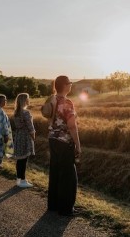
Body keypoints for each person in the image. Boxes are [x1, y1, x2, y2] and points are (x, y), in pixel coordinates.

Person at [47, 75, 81, 216]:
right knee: (68, 176)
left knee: (55, 172)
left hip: (52, 139)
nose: (71, 85)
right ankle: (66, 208)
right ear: (66, 86)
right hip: (65, 141)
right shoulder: (67, 102)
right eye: (70, 83)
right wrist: (78, 145)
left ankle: (53, 205)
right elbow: (72, 126)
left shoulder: (52, 100)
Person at [13, 93, 35, 188]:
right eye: (28, 99)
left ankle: (19, 179)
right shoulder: (26, 112)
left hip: (18, 136)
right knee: (24, 160)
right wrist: (33, 138)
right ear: (25, 100)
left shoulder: (16, 112)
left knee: (20, 159)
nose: (28, 100)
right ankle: (22, 180)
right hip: (25, 137)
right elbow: (31, 128)